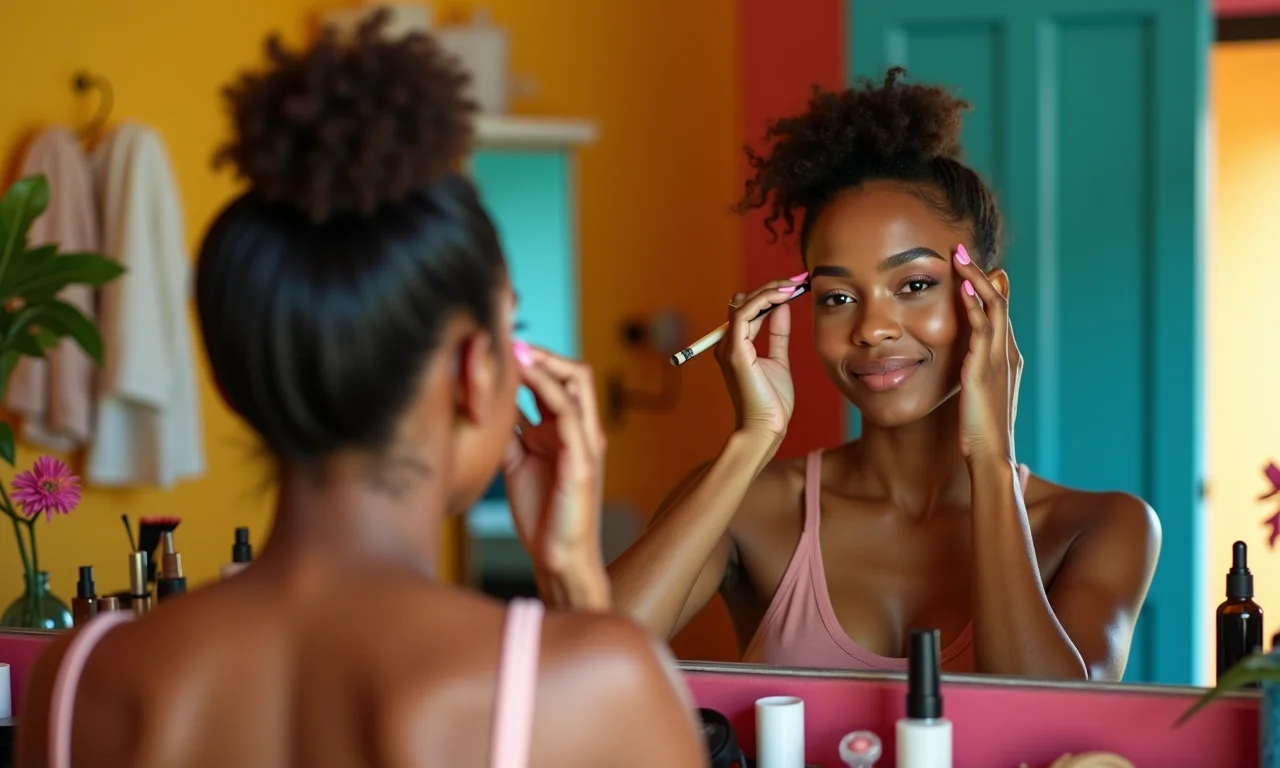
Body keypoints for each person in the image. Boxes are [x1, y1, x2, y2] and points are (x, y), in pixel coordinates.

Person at [16, 15, 703, 768]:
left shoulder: (78, 682)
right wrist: (576, 588)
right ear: (476, 371)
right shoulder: (591, 684)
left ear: (232, 378)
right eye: (515, 330)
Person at [590, 68, 1161, 681]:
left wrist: (990, 462)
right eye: (837, 297)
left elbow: (1049, 725)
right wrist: (751, 440)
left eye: (914, 285)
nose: (871, 328)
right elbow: (577, 665)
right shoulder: (748, 506)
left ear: (988, 298)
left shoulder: (1101, 527)